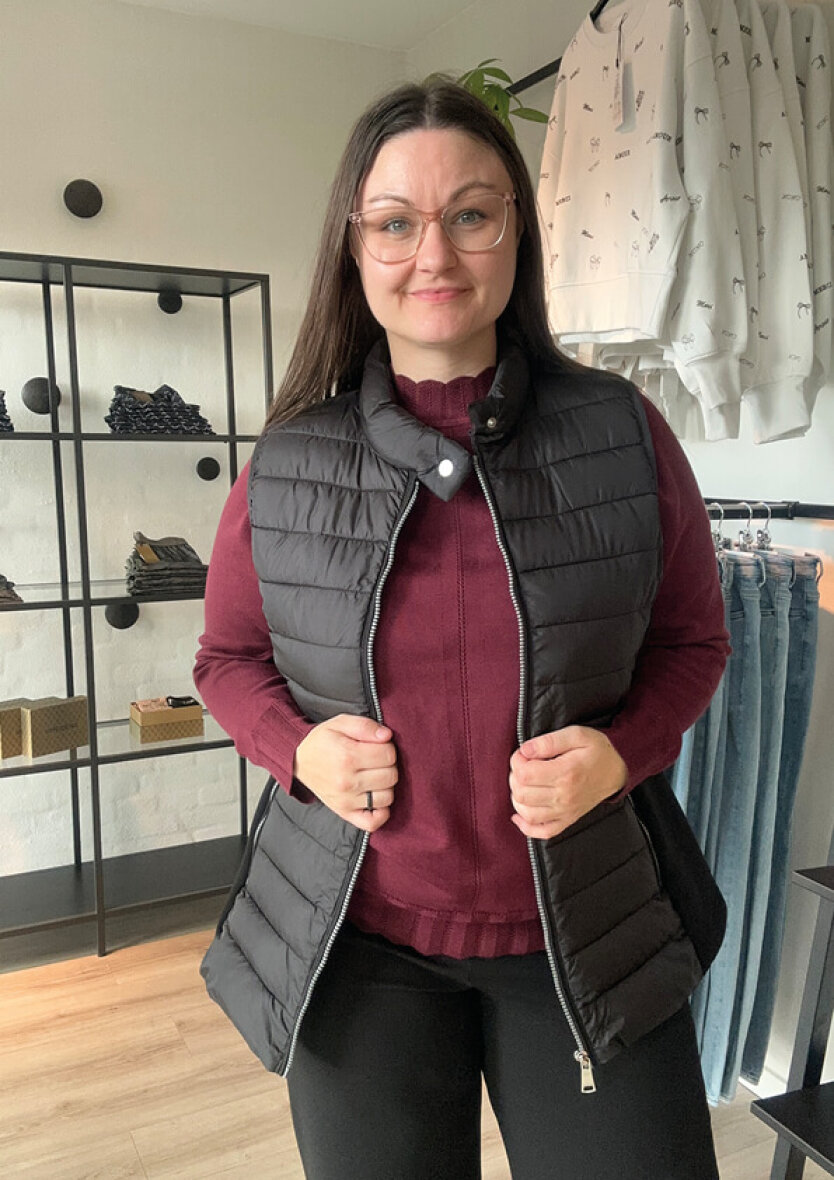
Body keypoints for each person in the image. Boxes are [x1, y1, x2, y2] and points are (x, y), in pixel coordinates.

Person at [195, 78, 730, 1180]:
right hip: (356, 947)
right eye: (395, 223)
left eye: (471, 214)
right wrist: (300, 749)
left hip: (585, 934)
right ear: (354, 247)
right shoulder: (288, 460)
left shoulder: (623, 434)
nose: (433, 254)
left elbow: (693, 644)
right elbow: (229, 659)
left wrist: (621, 753)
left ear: (515, 231)